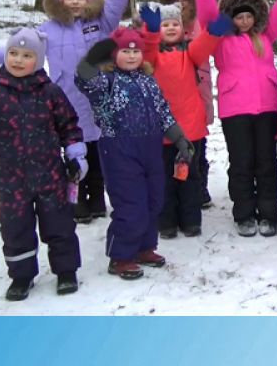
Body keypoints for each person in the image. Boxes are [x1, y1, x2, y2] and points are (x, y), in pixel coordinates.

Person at [0, 0, 136, 224]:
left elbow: (117, 0)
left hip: (100, 98)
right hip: (67, 99)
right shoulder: (48, 30)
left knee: (99, 153)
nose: (75, 1)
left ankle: (97, 198)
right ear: (60, 0)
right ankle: (78, 200)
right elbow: (20, 50)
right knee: (75, 149)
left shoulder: (101, 22)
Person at [0, 28, 87, 300]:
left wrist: (75, 155)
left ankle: (66, 271)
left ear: (39, 59)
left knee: (59, 224)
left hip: (51, 175)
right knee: (15, 227)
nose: (18, 60)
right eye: (13, 53)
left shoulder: (51, 92)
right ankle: (21, 276)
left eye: (26, 55)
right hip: (10, 179)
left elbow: (69, 125)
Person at [75, 28, 195, 280]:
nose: (131, 56)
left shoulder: (148, 81)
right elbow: (84, 79)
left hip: (150, 148)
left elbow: (163, 112)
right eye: (125, 51)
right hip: (119, 149)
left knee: (154, 200)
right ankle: (121, 256)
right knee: (131, 204)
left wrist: (179, 138)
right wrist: (92, 59)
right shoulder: (106, 82)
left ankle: (144, 247)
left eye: (136, 51)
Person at [196, 0, 277, 238]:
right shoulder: (220, 38)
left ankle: (269, 213)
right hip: (235, 110)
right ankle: (244, 214)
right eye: (238, 16)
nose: (244, 21)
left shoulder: (265, 35)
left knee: (266, 162)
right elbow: (208, 19)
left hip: (267, 107)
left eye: (248, 16)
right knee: (241, 163)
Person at [138, 2, 232, 240]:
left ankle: (191, 221)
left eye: (175, 24)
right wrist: (150, 31)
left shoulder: (189, 52)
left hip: (190, 128)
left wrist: (213, 32)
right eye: (165, 25)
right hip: (161, 129)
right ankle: (167, 222)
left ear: (183, 28)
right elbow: (146, 51)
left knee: (189, 177)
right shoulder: (152, 55)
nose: (170, 28)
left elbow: (203, 46)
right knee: (164, 179)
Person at [159, 0, 217, 209]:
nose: (180, 4)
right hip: (172, 91)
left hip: (199, 88)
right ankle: (173, 190)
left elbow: (212, 22)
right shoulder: (164, 25)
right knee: (171, 141)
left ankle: (199, 185)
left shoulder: (199, 23)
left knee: (197, 139)